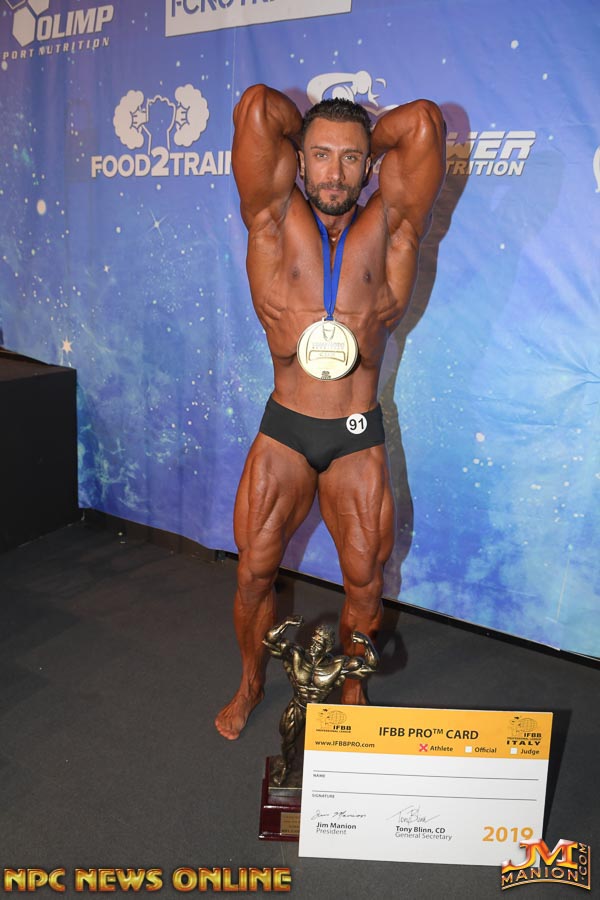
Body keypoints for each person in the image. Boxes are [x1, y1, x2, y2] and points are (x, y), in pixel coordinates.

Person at [215, 82, 445, 740]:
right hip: (286, 427)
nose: (335, 173)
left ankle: (351, 685)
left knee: (364, 581)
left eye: (350, 158)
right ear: (298, 159)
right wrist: (310, 126)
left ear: (370, 164)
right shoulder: (272, 218)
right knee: (254, 573)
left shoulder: (391, 226)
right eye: (319, 155)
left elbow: (424, 122)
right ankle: (251, 680)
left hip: (354, 434)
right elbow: (257, 108)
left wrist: (358, 134)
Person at [263, 616, 378, 785]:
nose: (313, 645)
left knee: (325, 746)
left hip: (321, 712)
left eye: (318, 643)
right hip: (298, 705)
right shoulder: (297, 655)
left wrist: (367, 643)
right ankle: (286, 767)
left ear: (327, 647)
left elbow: (369, 666)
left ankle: (323, 774)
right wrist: (285, 623)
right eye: (313, 640)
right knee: (287, 740)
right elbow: (270, 641)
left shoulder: (337, 665)